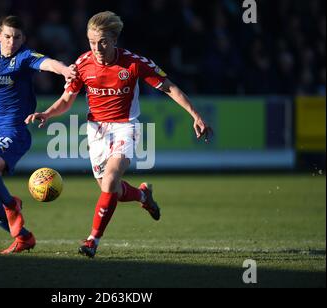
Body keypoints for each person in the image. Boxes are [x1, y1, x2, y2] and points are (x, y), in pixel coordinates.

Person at [26, 11, 211, 258]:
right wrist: (47, 113)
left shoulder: (133, 63)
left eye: (102, 41)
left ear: (114, 39)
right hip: (96, 131)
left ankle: (92, 240)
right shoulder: (82, 64)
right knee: (110, 188)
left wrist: (195, 115)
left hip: (127, 126)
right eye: (92, 42)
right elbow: (66, 100)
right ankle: (143, 195)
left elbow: (169, 87)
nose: (97, 47)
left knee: (111, 180)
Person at [0, 16, 77, 254]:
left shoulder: (24, 57)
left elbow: (49, 63)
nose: (12, 41)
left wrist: (65, 71)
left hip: (14, 131)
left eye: (17, 37)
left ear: (23, 39)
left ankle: (11, 204)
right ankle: (23, 236)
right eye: (7, 36)